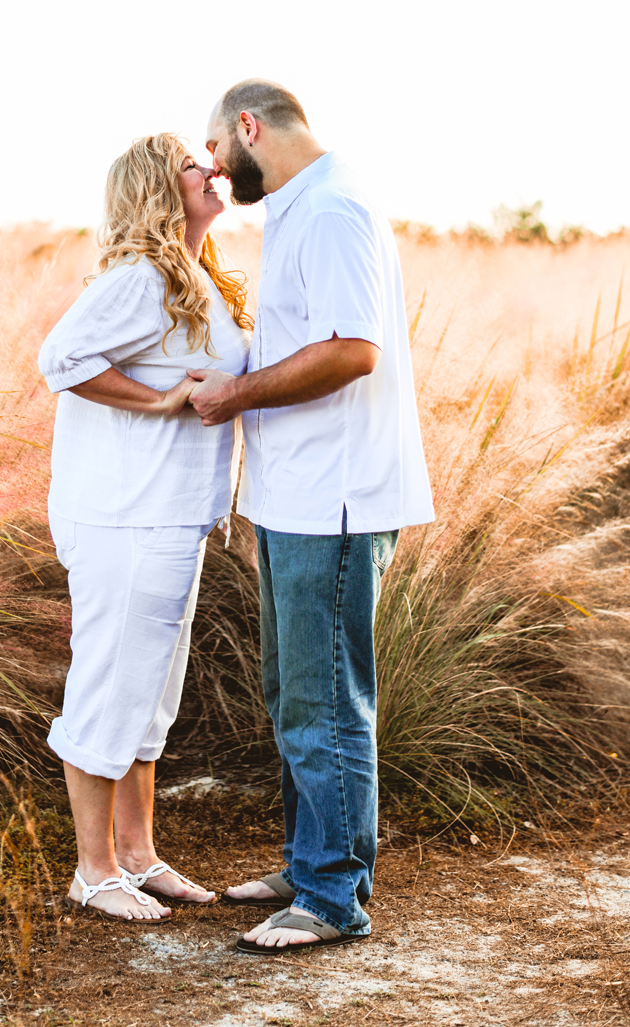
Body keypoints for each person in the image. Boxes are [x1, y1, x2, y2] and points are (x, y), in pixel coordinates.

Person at [186, 79, 434, 955]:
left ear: (248, 126)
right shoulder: (299, 206)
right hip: (294, 496)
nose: (214, 165)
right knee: (295, 695)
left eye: (217, 147)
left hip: (334, 499)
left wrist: (235, 395)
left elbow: (351, 351)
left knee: (324, 703)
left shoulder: (333, 209)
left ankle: (332, 897)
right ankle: (310, 862)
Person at [38, 134, 252, 920]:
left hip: (173, 515)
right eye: (191, 167)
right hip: (124, 517)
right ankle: (92, 871)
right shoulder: (141, 277)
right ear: (160, 191)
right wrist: (157, 400)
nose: (210, 171)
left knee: (149, 693)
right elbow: (62, 356)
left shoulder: (194, 276)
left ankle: (138, 853)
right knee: (110, 684)